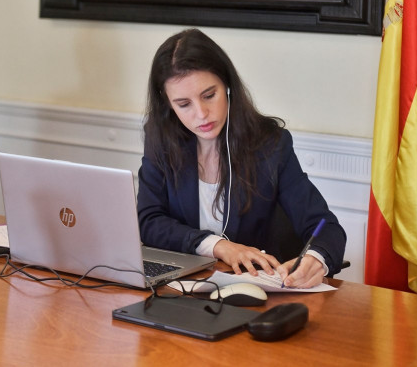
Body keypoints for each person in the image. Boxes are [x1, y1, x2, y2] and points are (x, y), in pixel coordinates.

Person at [137, 28, 346, 288]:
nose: (201, 113)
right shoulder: (160, 139)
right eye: (183, 104)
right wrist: (218, 246)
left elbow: (326, 228)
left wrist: (316, 258)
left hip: (254, 294)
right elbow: (149, 221)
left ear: (226, 85)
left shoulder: (270, 144)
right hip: (183, 291)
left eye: (209, 95)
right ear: (168, 104)